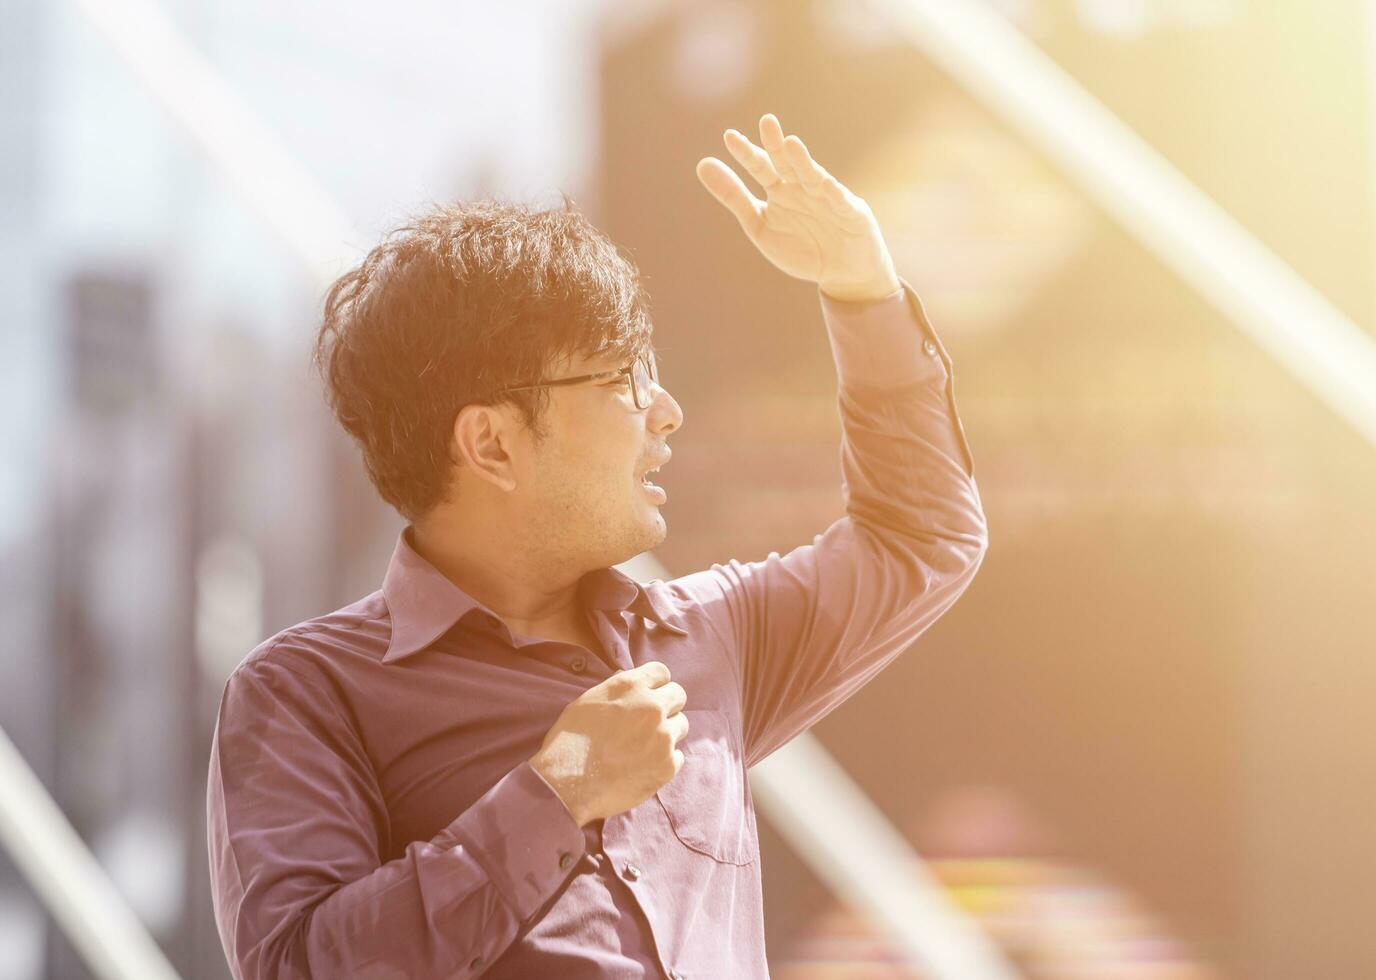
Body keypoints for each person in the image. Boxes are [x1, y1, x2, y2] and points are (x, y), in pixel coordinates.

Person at [206, 112, 986, 979]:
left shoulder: (713, 638)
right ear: (491, 444)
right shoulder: (306, 694)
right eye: (622, 379)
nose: (665, 411)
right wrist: (559, 790)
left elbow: (922, 538)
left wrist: (864, 291)